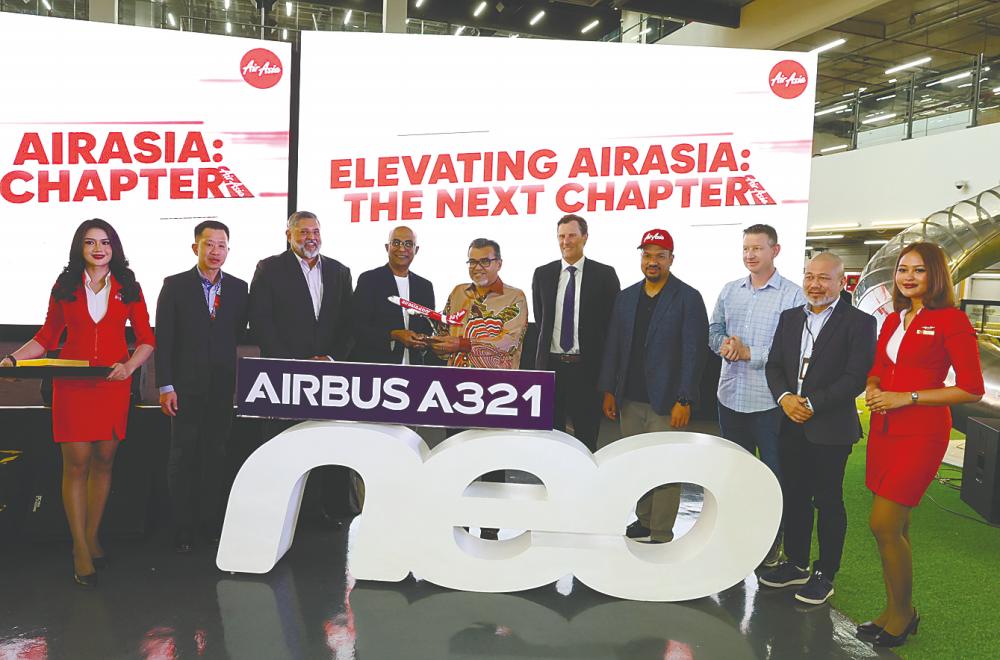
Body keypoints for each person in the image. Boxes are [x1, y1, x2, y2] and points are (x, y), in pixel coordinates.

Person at [1, 219, 155, 586]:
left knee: (104, 462)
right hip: (71, 384)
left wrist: (129, 366)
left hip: (113, 384)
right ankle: (80, 548)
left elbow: (147, 338)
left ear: (113, 247)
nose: (98, 249)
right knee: (76, 464)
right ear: (79, 248)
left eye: (104, 242)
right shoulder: (65, 286)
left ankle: (92, 535)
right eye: (90, 243)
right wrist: (13, 360)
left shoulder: (129, 287)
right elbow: (47, 335)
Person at [860, 242, 983, 647]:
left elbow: (971, 388)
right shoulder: (894, 320)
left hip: (922, 432)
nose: (908, 277)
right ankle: (895, 609)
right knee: (897, 526)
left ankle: (904, 614)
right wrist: (875, 388)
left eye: (919, 270)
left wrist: (906, 397)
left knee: (883, 525)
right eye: (902, 269)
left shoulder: (951, 320)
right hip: (884, 430)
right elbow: (878, 367)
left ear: (936, 276)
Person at [760, 252, 876, 604]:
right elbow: (774, 365)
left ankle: (825, 572)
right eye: (809, 275)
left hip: (831, 428)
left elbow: (855, 377)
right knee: (794, 495)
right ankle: (795, 563)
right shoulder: (790, 318)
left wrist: (812, 403)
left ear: (842, 282)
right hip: (790, 422)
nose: (814, 284)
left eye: (824, 277)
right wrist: (784, 398)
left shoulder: (859, 322)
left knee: (827, 501)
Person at [598, 229, 708, 544]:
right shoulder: (627, 297)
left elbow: (694, 353)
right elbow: (614, 346)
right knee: (637, 465)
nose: (653, 261)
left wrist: (685, 399)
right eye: (647, 255)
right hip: (629, 399)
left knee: (664, 466)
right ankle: (644, 520)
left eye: (660, 255)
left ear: (671, 259)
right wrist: (609, 389)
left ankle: (661, 530)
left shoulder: (688, 297)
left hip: (666, 400)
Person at [708, 223, 806, 565]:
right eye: (746, 248)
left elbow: (794, 348)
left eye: (758, 249)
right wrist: (724, 345)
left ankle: (770, 543)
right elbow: (714, 329)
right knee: (735, 473)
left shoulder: (793, 295)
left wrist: (752, 352)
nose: (750, 255)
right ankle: (736, 536)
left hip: (770, 401)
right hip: (730, 396)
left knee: (773, 475)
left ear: (775, 251)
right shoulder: (730, 290)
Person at [249, 211, 355, 520]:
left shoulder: (339, 271)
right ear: (289, 235)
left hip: (329, 376)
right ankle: (281, 512)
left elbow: (349, 324)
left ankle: (322, 511)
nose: (311, 237)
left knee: (325, 444)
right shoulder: (269, 269)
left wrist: (330, 358)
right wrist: (295, 362)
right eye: (303, 232)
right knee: (285, 445)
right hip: (285, 376)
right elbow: (261, 322)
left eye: (316, 231)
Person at [155, 220, 249, 554]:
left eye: (222, 245)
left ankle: (210, 524)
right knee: (182, 455)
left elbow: (235, 333)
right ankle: (181, 527)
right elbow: (163, 340)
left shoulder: (239, 288)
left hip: (222, 387)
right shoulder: (175, 285)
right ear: (196, 247)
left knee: (216, 454)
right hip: (183, 388)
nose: (215, 252)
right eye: (209, 244)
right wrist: (165, 385)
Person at [428, 238, 529, 540]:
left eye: (485, 261)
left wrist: (464, 343)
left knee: (492, 463)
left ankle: (489, 530)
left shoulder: (516, 297)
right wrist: (434, 344)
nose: (478, 267)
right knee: (456, 461)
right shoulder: (458, 293)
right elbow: (445, 332)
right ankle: (459, 526)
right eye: (472, 261)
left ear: (499, 263)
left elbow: (509, 341)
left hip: (495, 393)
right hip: (456, 390)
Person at [531, 214, 620, 452]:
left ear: (585, 238)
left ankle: (584, 489)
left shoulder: (604, 275)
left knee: (586, 440)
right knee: (552, 441)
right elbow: (541, 322)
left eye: (571, 235)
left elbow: (612, 327)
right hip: (551, 369)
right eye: (561, 236)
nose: (565, 241)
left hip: (587, 371)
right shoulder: (542, 274)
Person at [351, 226, 435, 365]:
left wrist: (423, 339)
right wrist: (393, 335)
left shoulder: (425, 286)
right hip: (375, 366)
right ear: (387, 247)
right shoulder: (369, 279)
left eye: (408, 244)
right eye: (396, 243)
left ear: (416, 250)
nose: (402, 249)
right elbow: (357, 326)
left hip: (415, 367)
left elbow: (428, 326)